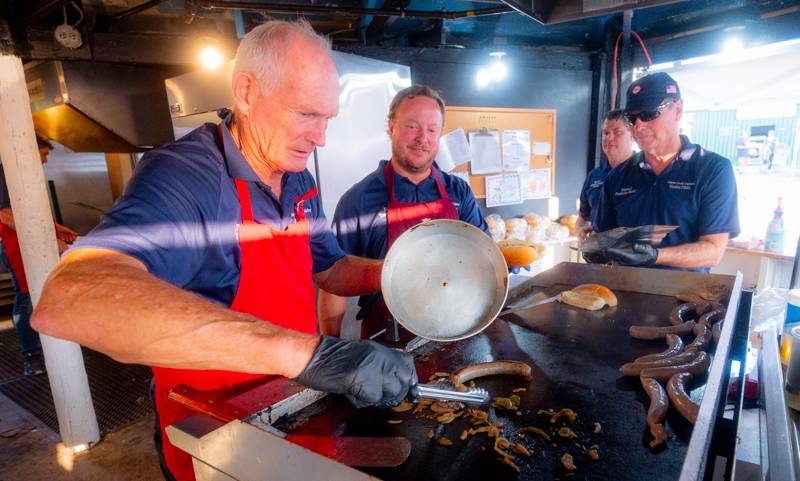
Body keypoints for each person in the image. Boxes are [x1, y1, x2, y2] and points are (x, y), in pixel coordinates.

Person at [31, 21, 417, 481]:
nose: (321, 138)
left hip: (295, 408)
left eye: (327, 118)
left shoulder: (298, 178)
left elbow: (329, 268)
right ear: (247, 93)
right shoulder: (185, 175)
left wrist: (401, 273)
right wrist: (313, 356)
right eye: (306, 114)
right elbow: (70, 297)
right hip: (213, 431)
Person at [317, 85, 488, 339]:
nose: (423, 138)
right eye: (412, 126)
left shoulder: (458, 192)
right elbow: (332, 282)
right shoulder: (359, 201)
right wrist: (330, 345)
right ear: (391, 126)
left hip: (454, 326)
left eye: (432, 130)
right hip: (387, 336)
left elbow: (482, 255)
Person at [592, 72, 740, 272]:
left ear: (677, 110)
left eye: (648, 114)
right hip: (624, 293)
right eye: (632, 118)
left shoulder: (712, 169)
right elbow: (604, 238)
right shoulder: (618, 177)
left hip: (686, 298)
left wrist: (655, 256)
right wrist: (595, 248)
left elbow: (713, 251)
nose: (639, 126)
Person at [0, 134, 76, 376]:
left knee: (45, 291)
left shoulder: (22, 173)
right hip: (16, 245)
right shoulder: (5, 172)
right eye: (43, 155)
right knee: (27, 297)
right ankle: (31, 357)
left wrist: (57, 228)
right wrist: (47, 239)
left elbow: (29, 212)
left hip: (31, 242)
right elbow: (6, 216)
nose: (44, 161)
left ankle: (55, 344)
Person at [578, 109, 634, 231]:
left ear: (632, 135)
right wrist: (582, 229)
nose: (609, 138)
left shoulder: (643, 173)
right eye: (605, 133)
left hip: (629, 249)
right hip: (597, 249)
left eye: (617, 132)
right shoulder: (594, 176)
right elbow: (583, 217)